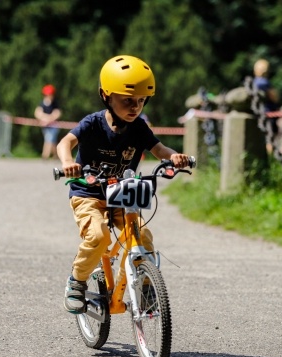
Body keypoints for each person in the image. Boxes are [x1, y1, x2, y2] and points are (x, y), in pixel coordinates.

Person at [56, 55, 190, 314]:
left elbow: (159, 149)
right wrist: (66, 162)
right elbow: (65, 143)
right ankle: (77, 281)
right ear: (106, 96)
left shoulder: (139, 127)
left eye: (141, 100)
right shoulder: (93, 123)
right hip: (88, 193)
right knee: (98, 236)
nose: (135, 106)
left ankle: (144, 285)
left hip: (121, 194)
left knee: (142, 236)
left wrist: (174, 157)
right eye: (127, 100)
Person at [253, 59, 280, 143]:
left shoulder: (254, 82)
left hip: (258, 113)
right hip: (268, 113)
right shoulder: (264, 83)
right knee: (270, 138)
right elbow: (274, 98)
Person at [34, 84, 62, 159]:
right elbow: (37, 112)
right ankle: (55, 155)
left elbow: (57, 113)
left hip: (53, 125)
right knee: (52, 141)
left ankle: (45, 155)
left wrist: (49, 119)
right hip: (45, 125)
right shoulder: (42, 103)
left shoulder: (55, 103)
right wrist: (44, 118)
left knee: (49, 138)